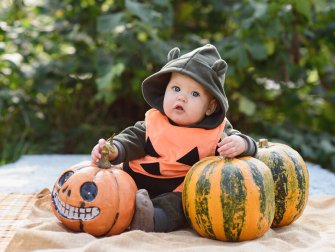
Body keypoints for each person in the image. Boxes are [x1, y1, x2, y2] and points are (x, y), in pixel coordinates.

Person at [91, 44, 257, 233]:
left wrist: (242, 144)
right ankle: (109, 207)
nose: (182, 98)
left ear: (210, 107)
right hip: (136, 178)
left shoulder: (216, 132)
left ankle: (151, 219)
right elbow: (132, 138)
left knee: (181, 205)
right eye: (176, 89)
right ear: (165, 91)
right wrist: (115, 150)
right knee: (115, 185)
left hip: (177, 189)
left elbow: (245, 147)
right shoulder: (154, 121)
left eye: (194, 94)